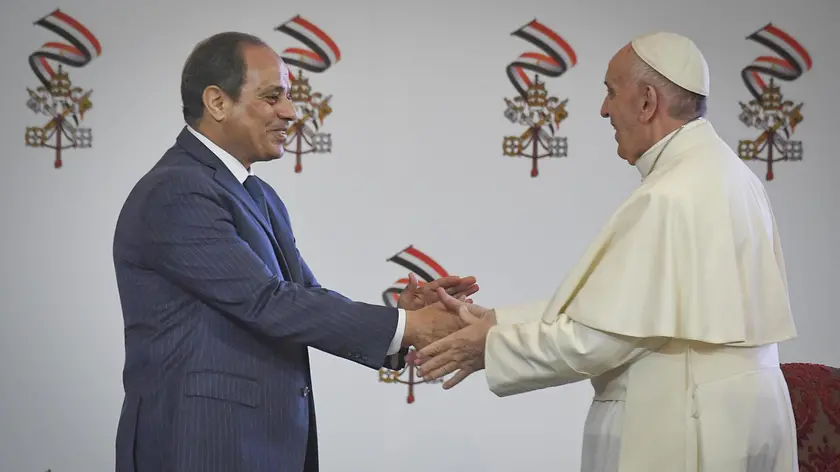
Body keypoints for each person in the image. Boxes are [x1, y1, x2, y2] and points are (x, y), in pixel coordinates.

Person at [415, 31, 799, 472]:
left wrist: (491, 347)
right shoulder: (726, 173)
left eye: (611, 93)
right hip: (742, 417)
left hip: (688, 423)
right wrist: (495, 321)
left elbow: (600, 339)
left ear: (647, 102)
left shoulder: (672, 193)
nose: (603, 109)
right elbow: (621, 310)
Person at [112, 31, 478, 472]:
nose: (291, 112)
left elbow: (304, 296)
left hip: (262, 445)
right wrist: (408, 326)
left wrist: (402, 324)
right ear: (217, 102)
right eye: (272, 97)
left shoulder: (257, 193)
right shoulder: (177, 190)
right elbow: (266, 302)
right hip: (201, 443)